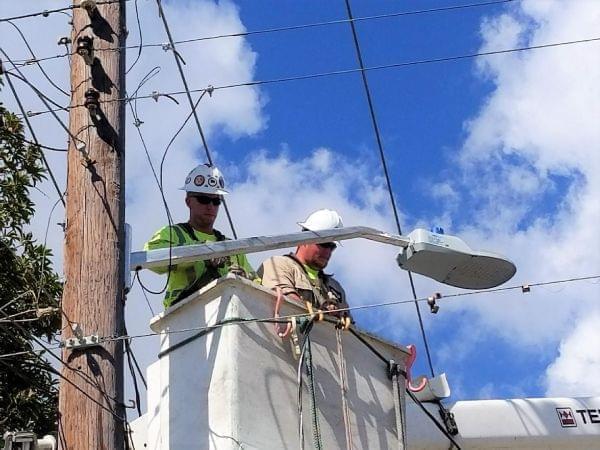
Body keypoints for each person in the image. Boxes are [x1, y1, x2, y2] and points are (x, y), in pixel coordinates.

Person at [145, 164, 254, 308]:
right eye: (203, 199)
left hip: (226, 314)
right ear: (188, 202)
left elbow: (257, 283)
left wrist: (246, 280)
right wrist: (203, 251)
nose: (210, 206)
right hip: (182, 315)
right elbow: (150, 258)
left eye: (216, 201)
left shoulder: (231, 246)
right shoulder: (174, 234)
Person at [258, 209, 351, 320]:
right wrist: (322, 314)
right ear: (305, 238)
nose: (328, 252)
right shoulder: (279, 264)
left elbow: (351, 331)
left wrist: (341, 317)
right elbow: (287, 303)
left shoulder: (335, 288)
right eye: (324, 244)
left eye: (332, 247)